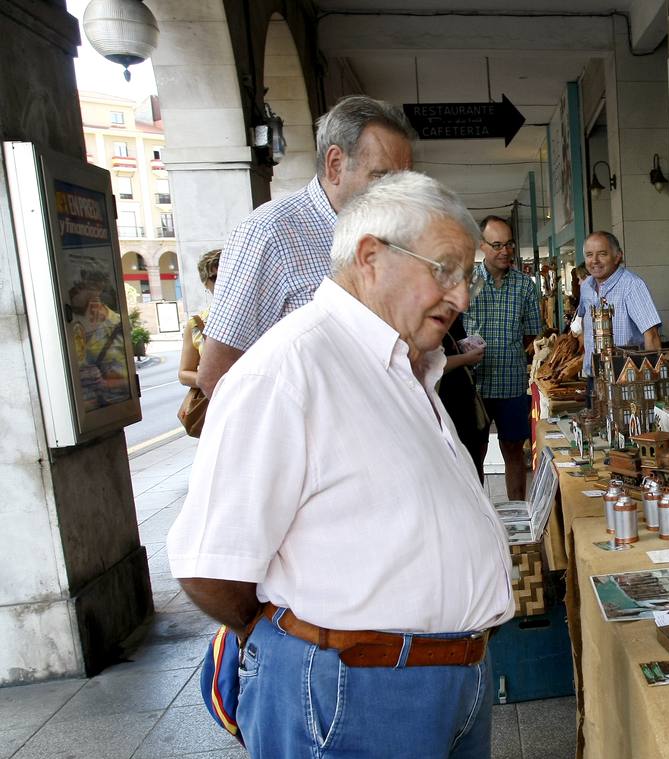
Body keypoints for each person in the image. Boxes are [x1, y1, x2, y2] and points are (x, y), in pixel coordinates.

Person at [167, 172, 509, 759]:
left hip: (450, 684)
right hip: (359, 692)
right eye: (445, 271)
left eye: (467, 275)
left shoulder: (403, 364)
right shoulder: (291, 368)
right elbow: (209, 568)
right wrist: (308, 654)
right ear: (369, 257)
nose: (461, 295)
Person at [196, 95, 415, 396]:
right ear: (335, 164)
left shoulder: (385, 236)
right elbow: (219, 377)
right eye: (382, 177)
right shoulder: (268, 233)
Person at [468, 215, 542, 500]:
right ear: (481, 246)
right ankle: (480, 517)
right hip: (475, 384)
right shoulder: (467, 282)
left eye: (509, 244)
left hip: (511, 382)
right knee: (476, 452)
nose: (505, 251)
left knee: (514, 451)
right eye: (497, 244)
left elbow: (531, 337)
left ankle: (519, 514)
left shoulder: (525, 286)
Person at [576, 230, 661, 378]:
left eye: (602, 254)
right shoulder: (586, 287)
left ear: (617, 256)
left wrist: (653, 380)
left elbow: (651, 335)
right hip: (593, 377)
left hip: (625, 378)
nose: (594, 260)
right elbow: (584, 323)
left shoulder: (632, 286)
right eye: (589, 255)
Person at [438, 312, 489, 481]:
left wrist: (468, 350)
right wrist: (465, 358)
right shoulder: (423, 322)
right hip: (445, 404)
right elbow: (431, 364)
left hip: (463, 401)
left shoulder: (452, 319)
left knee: (472, 461)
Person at [178, 249, 221, 392]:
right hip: (217, 402)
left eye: (226, 275)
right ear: (205, 283)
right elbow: (184, 373)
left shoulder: (258, 315)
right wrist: (214, 381)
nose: (221, 282)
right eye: (214, 278)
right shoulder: (197, 324)